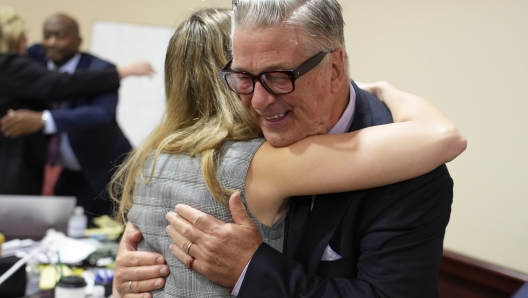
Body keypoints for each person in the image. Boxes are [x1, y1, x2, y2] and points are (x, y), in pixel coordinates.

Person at [112, 4, 466, 298]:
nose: (260, 100)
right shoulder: (251, 150)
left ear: (335, 70)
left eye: (279, 76)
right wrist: (131, 275)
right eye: (243, 78)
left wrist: (252, 270)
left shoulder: (407, 168)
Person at [0, 6, 153, 196]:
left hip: (105, 170)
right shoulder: (33, 57)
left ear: (79, 41)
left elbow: (101, 113)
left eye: (60, 36)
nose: (52, 42)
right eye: (47, 35)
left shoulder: (101, 70)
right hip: (63, 173)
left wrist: (44, 120)